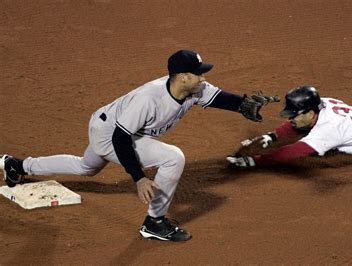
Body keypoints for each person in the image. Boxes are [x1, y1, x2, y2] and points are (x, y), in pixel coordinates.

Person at [0, 49, 278, 242]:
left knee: (86, 167)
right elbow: (121, 139)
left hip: (115, 128)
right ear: (182, 76)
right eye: (198, 73)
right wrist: (139, 177)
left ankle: (17, 165)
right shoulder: (149, 99)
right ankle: (154, 222)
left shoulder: (193, 89)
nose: (203, 77)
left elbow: (218, 98)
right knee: (173, 158)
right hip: (110, 133)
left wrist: (242, 104)